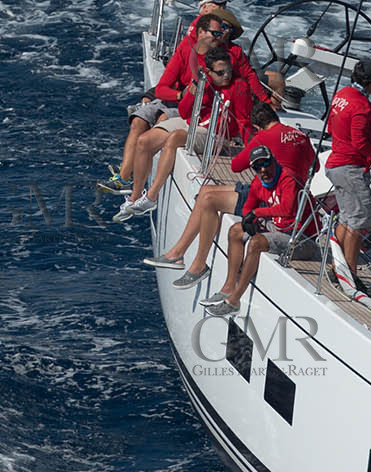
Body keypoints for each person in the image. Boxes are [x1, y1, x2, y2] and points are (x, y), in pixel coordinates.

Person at [144, 103, 315, 277]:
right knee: (205, 191)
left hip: (272, 195)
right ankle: (178, 253)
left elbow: (236, 166)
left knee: (208, 199)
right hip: (293, 193)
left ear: (256, 126)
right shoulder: (301, 135)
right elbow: (314, 167)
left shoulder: (263, 137)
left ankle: (194, 262)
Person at [116, 48, 254, 220]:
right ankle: (134, 197)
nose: (226, 76)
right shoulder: (203, 84)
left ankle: (151, 197)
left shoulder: (239, 87)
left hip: (217, 134)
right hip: (194, 123)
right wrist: (192, 91)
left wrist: (250, 149)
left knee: (175, 138)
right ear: (209, 72)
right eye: (220, 72)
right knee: (144, 141)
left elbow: (243, 121)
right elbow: (184, 110)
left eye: (228, 71)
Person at [203, 147, 321, 316]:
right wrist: (248, 219)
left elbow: (287, 209)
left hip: (301, 239)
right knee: (235, 230)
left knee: (256, 243)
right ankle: (229, 286)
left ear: (273, 160)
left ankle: (234, 301)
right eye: (258, 167)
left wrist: (256, 214)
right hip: (279, 228)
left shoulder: (288, 179)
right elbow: (248, 207)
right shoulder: (258, 183)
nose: (263, 169)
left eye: (266, 163)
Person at [325, 57, 371, 288]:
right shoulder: (362, 106)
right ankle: (350, 276)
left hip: (335, 165)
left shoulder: (342, 95)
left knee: (346, 218)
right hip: (350, 169)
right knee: (359, 222)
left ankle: (337, 269)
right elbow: (361, 145)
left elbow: (331, 128)